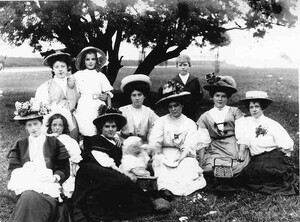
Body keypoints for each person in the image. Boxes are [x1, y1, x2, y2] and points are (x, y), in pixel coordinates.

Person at [71, 105, 169, 221]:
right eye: (107, 126)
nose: (111, 129)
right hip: (95, 170)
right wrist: (124, 173)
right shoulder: (96, 140)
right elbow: (104, 161)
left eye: (113, 126)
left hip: (110, 172)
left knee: (123, 183)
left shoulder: (117, 142)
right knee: (122, 180)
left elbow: (125, 158)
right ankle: (148, 202)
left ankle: (147, 201)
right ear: (101, 128)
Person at [7, 98, 70, 222]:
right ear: (25, 127)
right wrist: (24, 173)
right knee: (28, 197)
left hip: (48, 186)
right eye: (29, 125)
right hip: (27, 185)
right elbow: (12, 170)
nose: (33, 128)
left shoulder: (54, 143)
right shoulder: (20, 145)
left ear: (41, 123)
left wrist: (55, 178)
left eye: (35, 124)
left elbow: (64, 168)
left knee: (33, 200)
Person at [148, 80, 206, 200]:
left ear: (182, 106)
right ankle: (164, 189)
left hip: (182, 154)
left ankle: (181, 188)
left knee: (188, 165)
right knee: (160, 164)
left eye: (176, 106)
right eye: (170, 106)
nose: (173, 109)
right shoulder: (161, 121)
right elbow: (155, 142)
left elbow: (190, 144)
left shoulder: (189, 123)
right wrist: (158, 153)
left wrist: (181, 157)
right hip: (164, 153)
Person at [236, 91, 299, 195]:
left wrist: (283, 151)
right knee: (249, 176)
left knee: (272, 173)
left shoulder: (271, 123)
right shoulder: (246, 122)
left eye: (257, 106)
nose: (254, 109)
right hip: (256, 158)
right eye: (251, 107)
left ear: (262, 107)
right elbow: (243, 139)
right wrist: (241, 152)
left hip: (272, 156)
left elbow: (287, 143)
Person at [196, 73, 250, 194]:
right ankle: (222, 180)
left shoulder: (235, 112)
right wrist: (201, 161)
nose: (220, 99)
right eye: (217, 96)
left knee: (239, 164)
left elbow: (242, 133)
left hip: (233, 145)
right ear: (212, 97)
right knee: (209, 167)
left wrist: (241, 151)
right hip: (216, 147)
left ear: (227, 98)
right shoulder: (205, 117)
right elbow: (203, 141)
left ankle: (226, 181)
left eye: (223, 96)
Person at [72, 46, 114, 150]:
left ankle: (101, 151)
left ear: (97, 60)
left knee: (98, 130)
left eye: (93, 59)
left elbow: (108, 94)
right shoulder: (78, 75)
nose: (90, 62)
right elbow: (71, 88)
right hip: (84, 105)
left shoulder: (100, 76)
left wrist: (108, 106)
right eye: (87, 59)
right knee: (87, 129)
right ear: (83, 61)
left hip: (98, 104)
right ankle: (87, 153)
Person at [35, 50, 80, 141]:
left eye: (63, 66)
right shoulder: (46, 86)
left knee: (72, 144)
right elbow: (42, 107)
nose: (60, 69)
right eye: (57, 67)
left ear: (67, 67)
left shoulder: (74, 83)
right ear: (52, 69)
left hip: (72, 119)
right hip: (56, 121)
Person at [45, 112, 82, 198]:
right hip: (51, 166)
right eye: (54, 125)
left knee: (68, 186)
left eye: (60, 125)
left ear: (64, 127)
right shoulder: (47, 139)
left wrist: (73, 170)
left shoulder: (67, 139)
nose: (57, 128)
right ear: (50, 127)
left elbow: (75, 155)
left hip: (66, 166)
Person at [119, 74, 158, 143]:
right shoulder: (123, 111)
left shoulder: (149, 112)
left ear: (144, 96)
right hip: (125, 144)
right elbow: (114, 129)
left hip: (143, 145)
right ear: (130, 97)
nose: (137, 98)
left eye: (139, 95)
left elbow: (159, 125)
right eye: (134, 95)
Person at [171, 54, 203, 121]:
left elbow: (199, 94)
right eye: (180, 65)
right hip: (178, 109)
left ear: (189, 65)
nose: (183, 67)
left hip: (191, 109)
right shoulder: (174, 81)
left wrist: (194, 102)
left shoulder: (194, 80)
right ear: (177, 66)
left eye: (185, 65)